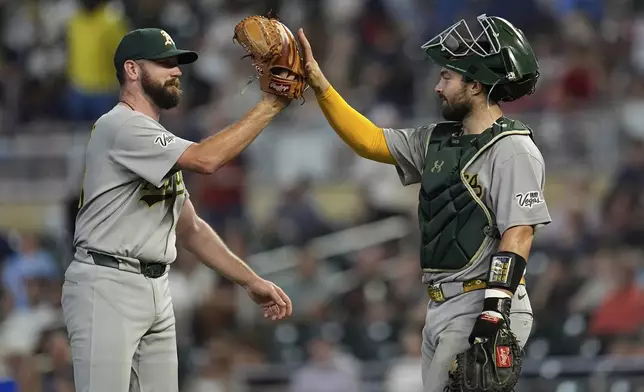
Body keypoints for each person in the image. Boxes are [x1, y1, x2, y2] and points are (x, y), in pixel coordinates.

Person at [297, 14, 551, 391]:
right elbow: (370, 141)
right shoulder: (437, 140)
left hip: (481, 301)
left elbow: (519, 232)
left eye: (447, 77)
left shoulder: (513, 149)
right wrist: (320, 85)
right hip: (441, 306)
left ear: (476, 85)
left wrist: (495, 311)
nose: (437, 87)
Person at [61, 28, 294, 392]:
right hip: (106, 284)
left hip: (155, 286)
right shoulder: (121, 125)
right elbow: (206, 160)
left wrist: (251, 280)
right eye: (166, 63)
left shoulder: (155, 142)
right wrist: (270, 104)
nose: (177, 71)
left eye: (177, 63)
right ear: (133, 70)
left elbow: (191, 229)